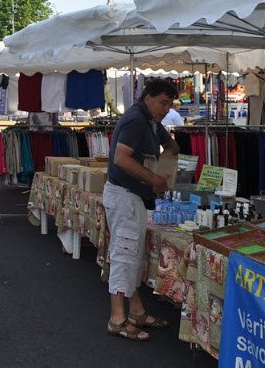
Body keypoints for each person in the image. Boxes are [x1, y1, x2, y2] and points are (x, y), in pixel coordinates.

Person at [104, 78, 180, 342]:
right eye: (163, 103)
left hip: (132, 197)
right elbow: (121, 158)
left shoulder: (150, 120)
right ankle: (117, 319)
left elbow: (170, 144)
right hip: (124, 196)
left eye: (169, 105)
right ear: (148, 97)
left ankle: (136, 312)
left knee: (133, 256)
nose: (166, 110)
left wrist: (169, 156)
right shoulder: (136, 120)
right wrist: (155, 179)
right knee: (124, 255)